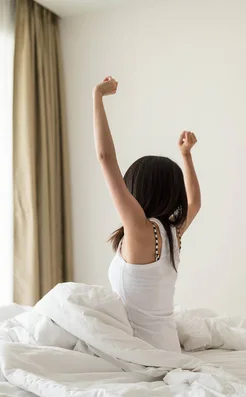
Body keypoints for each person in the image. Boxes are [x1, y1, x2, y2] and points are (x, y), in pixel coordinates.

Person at [93, 76, 201, 353]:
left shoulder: (139, 229)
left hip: (140, 354)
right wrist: (186, 156)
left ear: (135, 188)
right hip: (168, 348)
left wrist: (97, 96)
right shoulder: (171, 232)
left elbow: (106, 158)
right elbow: (195, 203)